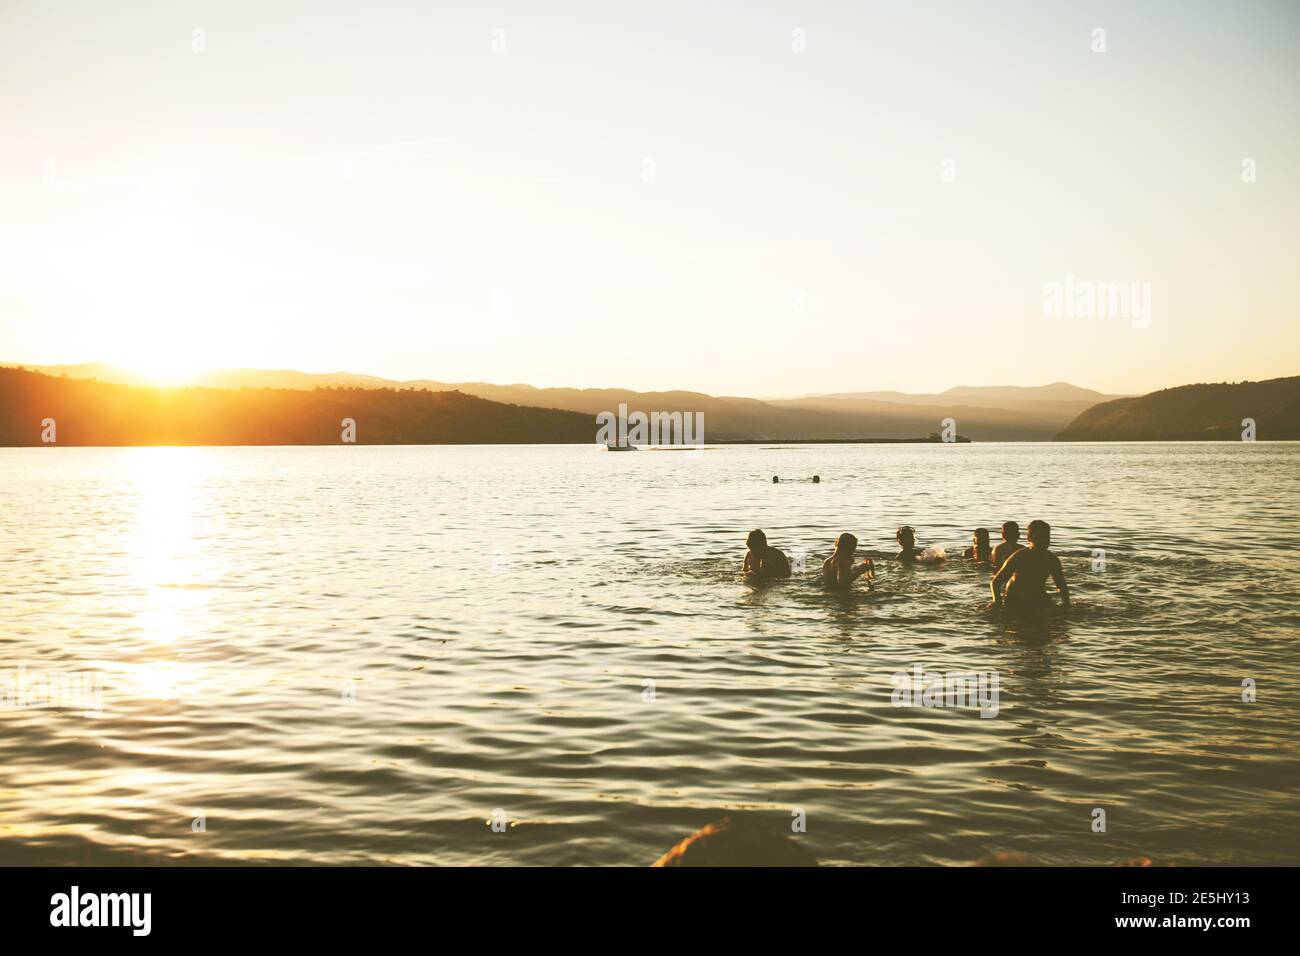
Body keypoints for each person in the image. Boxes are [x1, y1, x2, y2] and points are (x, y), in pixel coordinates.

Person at [990, 519, 1070, 609]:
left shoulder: (1051, 560)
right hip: (1015, 598)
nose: (1044, 541)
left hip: (1038, 597)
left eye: (1047, 537)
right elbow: (996, 582)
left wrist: (1066, 604)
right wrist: (997, 602)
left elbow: (1061, 586)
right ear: (1029, 538)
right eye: (1040, 537)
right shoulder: (1019, 557)